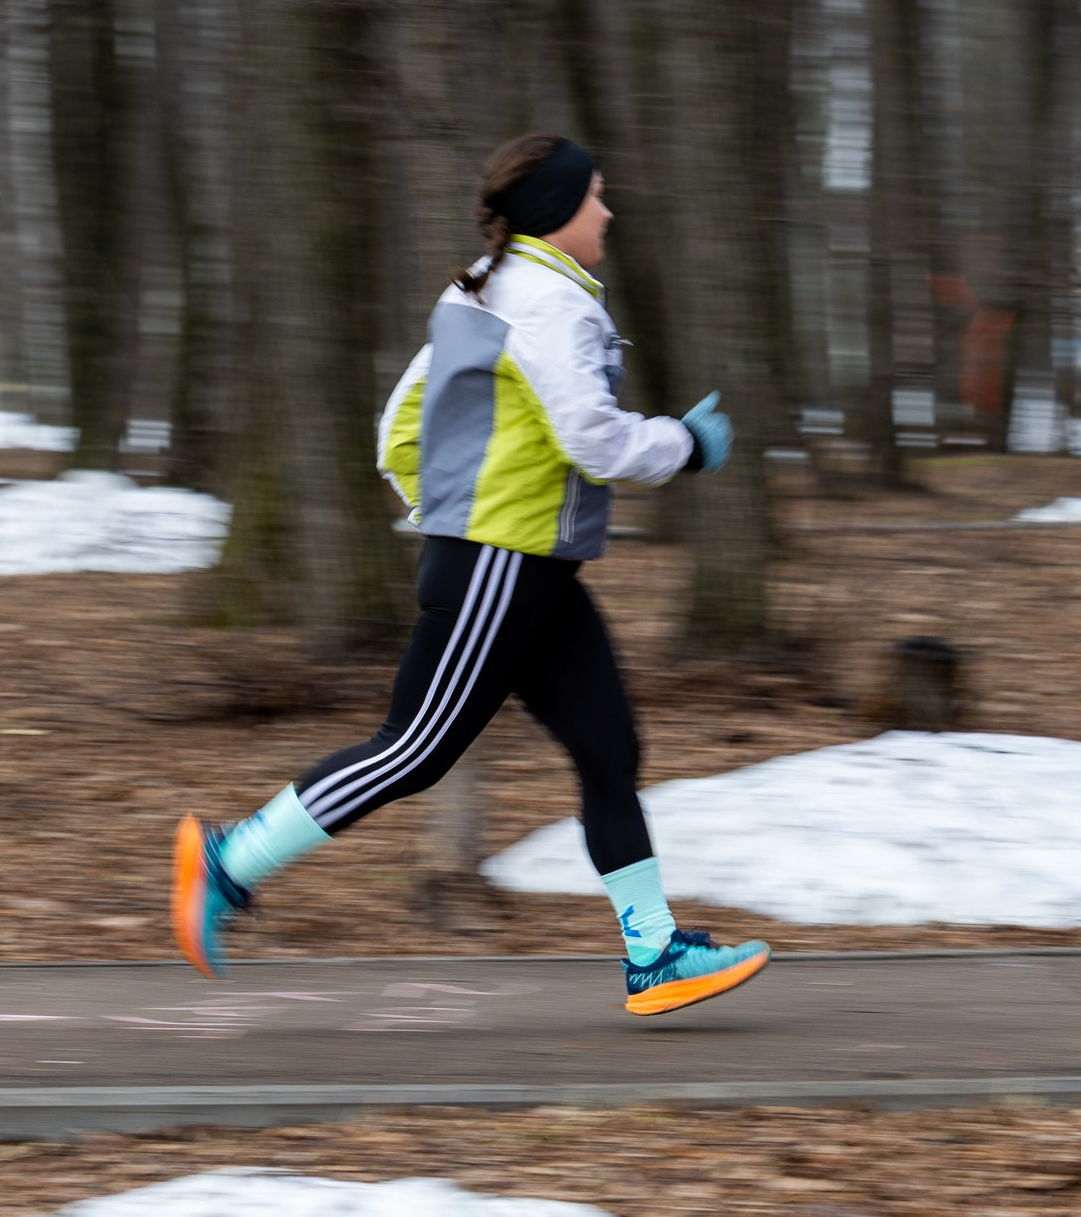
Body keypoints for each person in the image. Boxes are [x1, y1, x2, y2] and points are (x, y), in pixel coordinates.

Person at [172, 133, 769, 1017]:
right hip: (502, 562)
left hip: (527, 566)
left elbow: (398, 426)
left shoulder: (484, 289)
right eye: (596, 196)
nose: (608, 212)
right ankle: (229, 861)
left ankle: (656, 953)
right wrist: (683, 444)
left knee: (609, 750)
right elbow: (595, 440)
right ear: (558, 209)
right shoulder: (551, 304)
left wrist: (446, 509)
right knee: (416, 748)